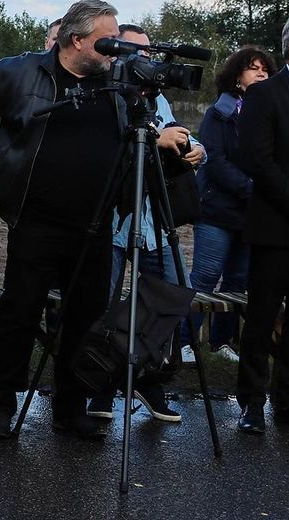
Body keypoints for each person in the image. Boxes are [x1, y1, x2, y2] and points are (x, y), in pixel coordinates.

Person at [0, 0, 125, 440]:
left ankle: (70, 408)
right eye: (106, 40)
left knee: (84, 319)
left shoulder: (116, 81)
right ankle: (1, 405)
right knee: (19, 314)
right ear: (77, 40)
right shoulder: (21, 71)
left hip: (95, 223)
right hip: (36, 219)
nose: (114, 49)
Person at [90, 23, 205, 424]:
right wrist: (152, 138)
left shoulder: (154, 96)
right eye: (134, 51)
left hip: (155, 219)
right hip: (114, 219)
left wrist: (196, 150)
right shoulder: (104, 90)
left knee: (172, 297)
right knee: (103, 304)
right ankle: (101, 386)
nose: (144, 59)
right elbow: (106, 143)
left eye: (148, 52)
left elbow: (178, 132)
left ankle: (147, 378)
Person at [235, 11, 289, 435]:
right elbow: (257, 162)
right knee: (263, 317)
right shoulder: (266, 95)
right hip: (278, 228)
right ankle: (251, 402)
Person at [182, 46, 274, 364]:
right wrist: (251, 189)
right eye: (253, 68)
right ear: (237, 78)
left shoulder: (272, 112)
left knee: (237, 282)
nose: (261, 73)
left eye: (265, 69)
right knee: (205, 277)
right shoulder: (218, 113)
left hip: (252, 213)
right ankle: (185, 342)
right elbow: (215, 160)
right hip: (217, 210)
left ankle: (223, 343)